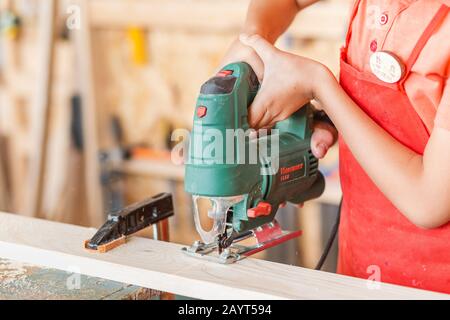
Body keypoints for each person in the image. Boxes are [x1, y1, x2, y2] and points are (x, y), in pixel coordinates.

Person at [220, 0, 450, 294]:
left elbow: (428, 201)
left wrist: (320, 87)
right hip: (361, 261)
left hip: (434, 280)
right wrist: (253, 40)